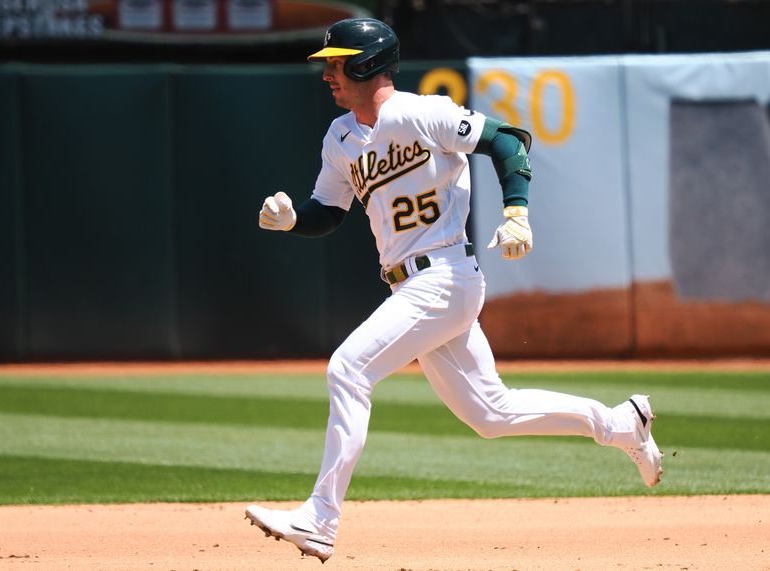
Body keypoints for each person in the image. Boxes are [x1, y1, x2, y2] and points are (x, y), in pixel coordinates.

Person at [246, 17, 663, 563]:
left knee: (348, 369)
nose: (328, 72)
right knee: (491, 414)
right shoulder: (340, 137)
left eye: (338, 61)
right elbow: (328, 212)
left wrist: (517, 212)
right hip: (412, 287)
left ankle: (320, 518)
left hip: (444, 276)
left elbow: (510, 142)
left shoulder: (422, 112)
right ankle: (619, 423)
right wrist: (292, 221)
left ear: (368, 63)